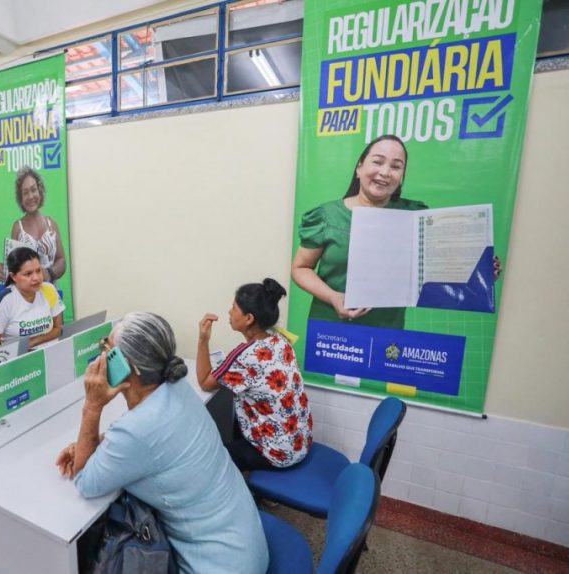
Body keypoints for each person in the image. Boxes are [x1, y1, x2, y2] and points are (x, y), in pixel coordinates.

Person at [56, 312, 268, 574]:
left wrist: (92, 406)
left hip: (219, 566)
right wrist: (98, 442)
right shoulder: (177, 387)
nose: (102, 356)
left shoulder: (137, 430)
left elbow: (85, 481)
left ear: (127, 366)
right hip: (244, 545)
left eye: (107, 349)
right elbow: (151, 438)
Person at [292, 134, 502, 328]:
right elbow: (300, 268)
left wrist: (477, 274)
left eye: (396, 166)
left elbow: (434, 270)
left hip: (387, 333)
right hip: (330, 329)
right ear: (359, 167)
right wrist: (332, 297)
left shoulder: (415, 216)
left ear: (401, 176)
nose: (385, 172)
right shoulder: (326, 216)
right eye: (377, 162)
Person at [197, 279, 313, 471]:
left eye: (234, 308)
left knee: (211, 458)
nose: (229, 312)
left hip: (278, 454)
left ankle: (243, 484)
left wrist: (203, 339)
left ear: (249, 318)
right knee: (238, 415)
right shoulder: (281, 340)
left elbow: (204, 382)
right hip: (300, 442)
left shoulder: (245, 355)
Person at [0, 167, 66, 284]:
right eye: (25, 193)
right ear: (21, 198)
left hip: (50, 292)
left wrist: (49, 273)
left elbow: (61, 261)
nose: (30, 196)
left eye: (33, 190)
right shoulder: (17, 228)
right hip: (26, 294)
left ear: (40, 191)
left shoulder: (52, 224)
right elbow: (13, 267)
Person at [0, 247, 64, 349]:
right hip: (19, 356)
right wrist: (20, 352)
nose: (36, 278)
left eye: (38, 271)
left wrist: (32, 342)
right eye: (28, 274)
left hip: (50, 351)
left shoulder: (49, 289)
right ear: (13, 276)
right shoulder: (3, 301)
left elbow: (58, 329)